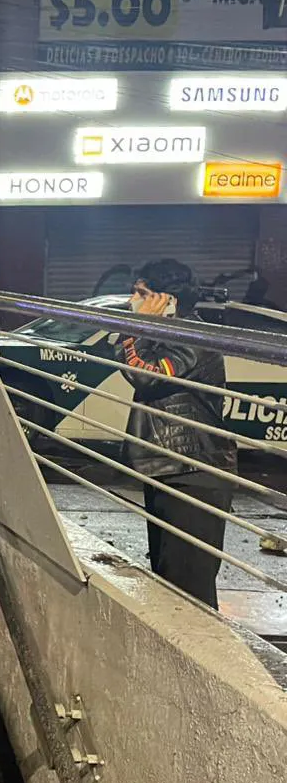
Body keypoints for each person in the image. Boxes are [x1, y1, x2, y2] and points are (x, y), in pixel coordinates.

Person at [118, 258, 237, 608]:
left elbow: (145, 375)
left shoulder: (190, 337)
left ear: (167, 299)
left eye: (141, 294)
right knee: (169, 579)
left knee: (190, 591)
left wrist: (136, 327)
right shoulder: (168, 334)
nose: (132, 301)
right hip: (172, 469)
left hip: (194, 472)